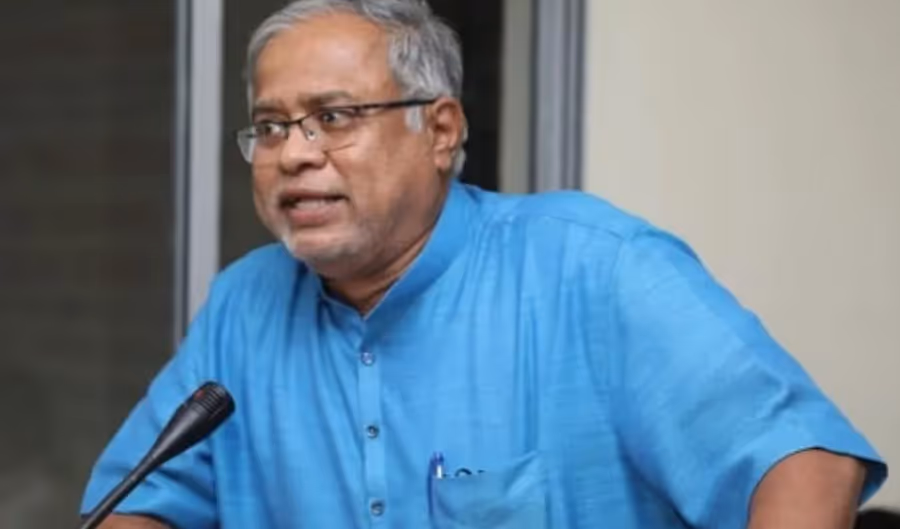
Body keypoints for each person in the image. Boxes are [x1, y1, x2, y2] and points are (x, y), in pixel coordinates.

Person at [81, 0, 887, 527]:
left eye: (334, 117)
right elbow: (140, 505)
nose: (295, 154)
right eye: (271, 127)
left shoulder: (591, 265)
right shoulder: (245, 304)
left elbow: (807, 463)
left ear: (439, 130)